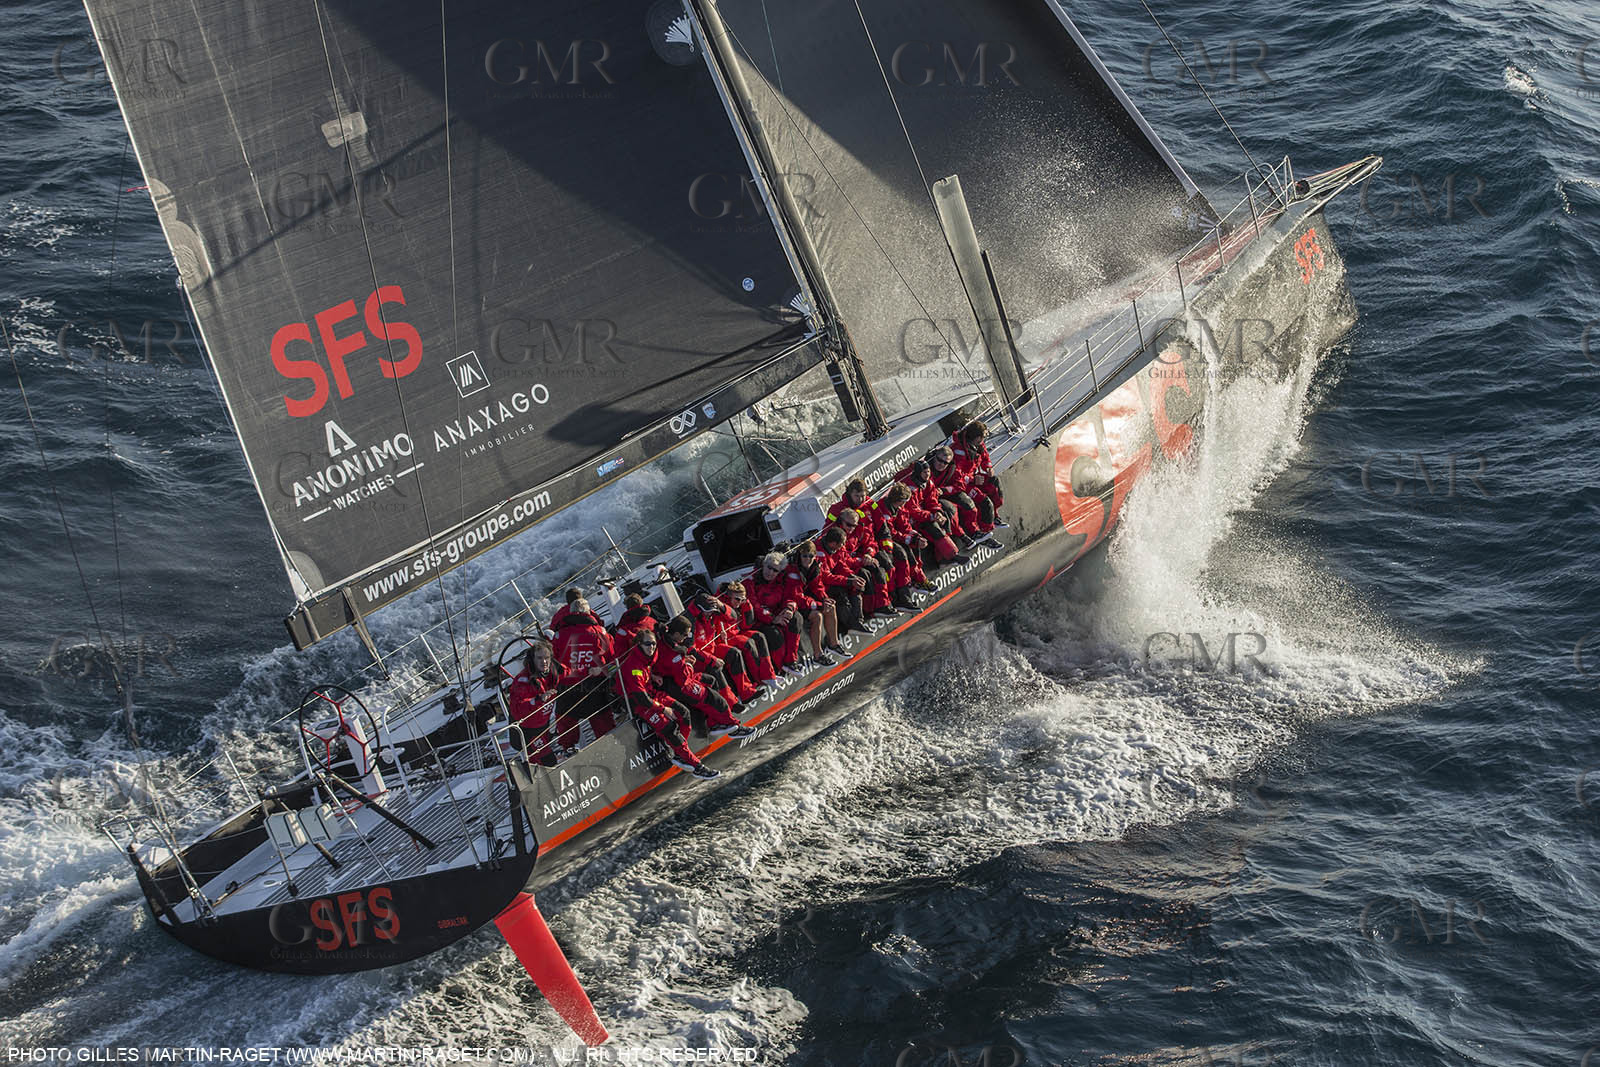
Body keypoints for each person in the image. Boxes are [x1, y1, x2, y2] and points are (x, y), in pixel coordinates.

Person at [614, 628, 718, 778]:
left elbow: (645, 672)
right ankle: (696, 766)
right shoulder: (633, 667)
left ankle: (680, 752)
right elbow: (640, 697)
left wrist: (653, 675)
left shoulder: (647, 657)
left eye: (654, 644)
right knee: (669, 728)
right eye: (647, 644)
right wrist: (663, 710)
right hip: (639, 703)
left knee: (684, 713)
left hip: (652, 694)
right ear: (639, 645)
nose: (651, 647)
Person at [655, 618, 755, 738]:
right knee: (716, 700)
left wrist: (684, 661)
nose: (686, 638)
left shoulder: (667, 642)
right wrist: (689, 664)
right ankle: (734, 727)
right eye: (685, 635)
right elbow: (683, 678)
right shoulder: (674, 652)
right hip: (677, 684)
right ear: (676, 634)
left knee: (711, 680)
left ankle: (715, 722)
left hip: (675, 677)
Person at [686, 589, 768, 701]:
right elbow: (691, 650)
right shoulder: (690, 622)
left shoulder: (712, 614)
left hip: (713, 648)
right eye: (707, 611)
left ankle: (747, 692)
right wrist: (712, 660)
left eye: (711, 611)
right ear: (699, 610)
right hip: (700, 658)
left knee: (735, 653)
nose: (710, 613)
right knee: (715, 668)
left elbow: (733, 618)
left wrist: (720, 605)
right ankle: (732, 703)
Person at [552, 597, 616, 741]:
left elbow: (552, 664)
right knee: (605, 729)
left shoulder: (558, 635)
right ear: (589, 613)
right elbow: (613, 660)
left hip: (567, 689)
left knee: (566, 728)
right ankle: (613, 748)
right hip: (595, 687)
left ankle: (568, 752)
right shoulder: (600, 632)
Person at [506, 641, 576, 765]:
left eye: (546, 658)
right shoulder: (523, 681)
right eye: (539, 658)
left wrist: (592, 670)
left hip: (543, 726)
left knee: (545, 760)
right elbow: (518, 709)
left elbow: (571, 673)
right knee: (547, 761)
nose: (544, 661)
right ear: (532, 660)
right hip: (527, 731)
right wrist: (538, 700)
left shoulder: (552, 673)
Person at [865, 483, 932, 603]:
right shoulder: (884, 510)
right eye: (903, 501)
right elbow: (891, 532)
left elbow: (904, 525)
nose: (904, 504)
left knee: (913, 547)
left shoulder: (898, 508)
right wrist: (908, 539)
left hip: (893, 538)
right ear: (897, 500)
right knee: (902, 554)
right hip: (882, 541)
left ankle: (920, 579)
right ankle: (904, 591)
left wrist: (914, 536)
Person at [711, 582, 782, 691]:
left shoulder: (738, 604)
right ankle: (760, 679)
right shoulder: (719, 605)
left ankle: (769, 675)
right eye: (737, 599)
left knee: (759, 636)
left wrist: (746, 604)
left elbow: (747, 624)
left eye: (742, 599)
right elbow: (727, 618)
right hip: (724, 639)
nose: (739, 603)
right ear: (729, 596)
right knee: (747, 643)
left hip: (735, 633)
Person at [745, 551, 807, 675]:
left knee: (796, 618)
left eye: (775, 570)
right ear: (763, 565)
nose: (771, 572)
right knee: (775, 634)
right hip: (759, 621)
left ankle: (791, 661)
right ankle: (780, 668)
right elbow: (754, 606)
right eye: (769, 568)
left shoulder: (780, 580)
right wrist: (773, 618)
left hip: (776, 614)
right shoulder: (750, 581)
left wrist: (789, 608)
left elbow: (790, 597)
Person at [897, 458, 965, 566]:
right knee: (933, 528)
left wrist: (937, 512)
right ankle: (951, 555)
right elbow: (913, 511)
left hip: (924, 514)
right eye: (924, 472)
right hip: (912, 520)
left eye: (928, 471)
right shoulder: (910, 488)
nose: (927, 474)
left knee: (945, 519)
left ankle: (944, 556)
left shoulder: (928, 483)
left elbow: (931, 500)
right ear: (918, 473)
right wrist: (932, 516)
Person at [930, 445, 1000, 548]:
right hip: (931, 498)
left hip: (945, 493)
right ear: (935, 456)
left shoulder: (953, 468)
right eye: (939, 460)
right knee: (951, 511)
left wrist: (945, 490)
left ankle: (980, 534)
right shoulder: (926, 468)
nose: (941, 464)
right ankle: (963, 538)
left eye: (945, 462)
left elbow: (959, 485)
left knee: (971, 506)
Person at [792, 540, 852, 658]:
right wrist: (818, 605)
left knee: (830, 607)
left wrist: (825, 599)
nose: (807, 559)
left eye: (811, 556)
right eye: (804, 556)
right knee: (817, 616)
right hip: (796, 604)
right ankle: (818, 654)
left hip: (808, 600)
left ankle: (833, 644)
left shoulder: (815, 567)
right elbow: (797, 597)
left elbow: (817, 586)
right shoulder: (793, 571)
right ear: (799, 555)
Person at [951, 421, 1007, 529]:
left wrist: (988, 467)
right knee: (984, 502)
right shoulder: (959, 451)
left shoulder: (978, 445)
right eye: (983, 436)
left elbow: (985, 457)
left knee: (994, 482)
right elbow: (957, 474)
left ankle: (994, 516)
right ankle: (985, 530)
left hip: (973, 479)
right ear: (977, 437)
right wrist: (972, 480)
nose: (984, 439)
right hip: (963, 485)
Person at [816, 526, 872, 635]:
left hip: (830, 578)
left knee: (856, 586)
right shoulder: (819, 552)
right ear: (832, 544)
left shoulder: (836, 548)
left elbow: (840, 565)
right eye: (841, 544)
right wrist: (848, 581)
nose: (843, 546)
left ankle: (858, 621)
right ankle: (850, 624)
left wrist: (852, 577)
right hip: (819, 585)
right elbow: (825, 577)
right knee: (839, 593)